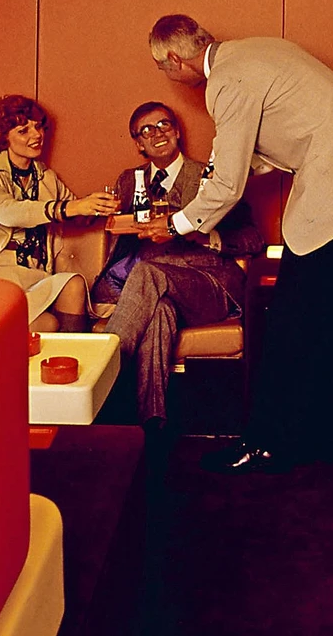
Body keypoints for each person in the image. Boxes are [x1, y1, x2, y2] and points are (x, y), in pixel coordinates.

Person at [143, 14, 333, 472]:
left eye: (161, 67)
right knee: (324, 319)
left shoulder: (225, 81)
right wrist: (219, 177)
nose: (167, 76)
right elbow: (266, 148)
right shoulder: (257, 49)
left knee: (288, 321)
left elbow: (228, 185)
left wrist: (177, 225)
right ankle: (330, 440)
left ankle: (266, 442)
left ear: (173, 58)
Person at [92, 101, 264, 427]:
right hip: (155, 290)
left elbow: (253, 240)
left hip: (208, 283)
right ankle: (153, 423)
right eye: (147, 130)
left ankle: (98, 379)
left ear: (177, 131)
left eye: (164, 125)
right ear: (138, 143)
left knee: (147, 273)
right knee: (160, 313)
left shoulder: (211, 177)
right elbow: (125, 235)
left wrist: (204, 237)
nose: (157, 133)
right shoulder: (128, 181)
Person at [0, 95, 117, 332]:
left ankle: (71, 360)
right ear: (3, 136)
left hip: (33, 277)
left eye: (37, 127)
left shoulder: (47, 178)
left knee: (73, 284)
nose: (36, 135)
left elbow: (73, 212)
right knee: (46, 324)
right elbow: (11, 212)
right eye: (23, 130)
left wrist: (97, 207)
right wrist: (72, 207)